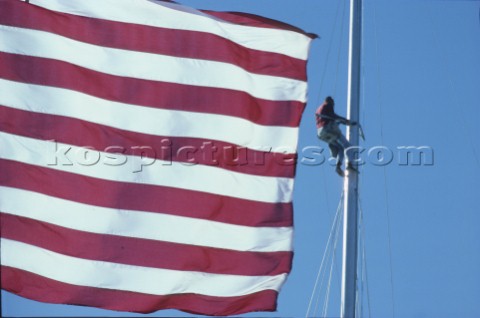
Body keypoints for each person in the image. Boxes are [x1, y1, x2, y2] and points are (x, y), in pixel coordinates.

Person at [315, 96, 358, 177]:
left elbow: (329, 118)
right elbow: (334, 116)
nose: (333, 105)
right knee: (347, 146)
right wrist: (347, 121)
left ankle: (338, 166)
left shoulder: (320, 109)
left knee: (340, 148)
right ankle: (350, 164)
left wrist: (343, 122)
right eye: (333, 103)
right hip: (328, 129)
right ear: (330, 101)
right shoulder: (328, 105)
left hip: (321, 133)